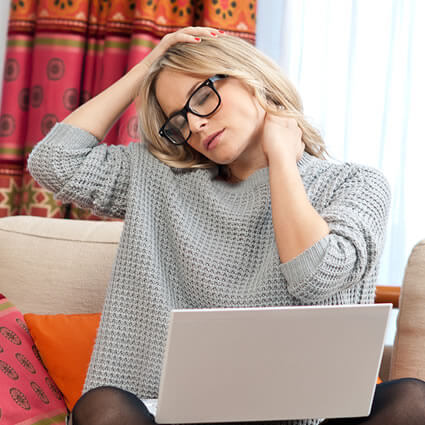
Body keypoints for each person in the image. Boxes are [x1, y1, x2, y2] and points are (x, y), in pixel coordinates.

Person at [27, 27, 425, 425]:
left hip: (301, 419)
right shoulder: (156, 175)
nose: (195, 125)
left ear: (252, 79)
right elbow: (55, 162)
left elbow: (316, 275)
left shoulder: (356, 185)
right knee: (103, 407)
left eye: (203, 97)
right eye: (179, 120)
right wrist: (148, 67)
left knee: (413, 400)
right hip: (169, 417)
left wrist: (282, 161)